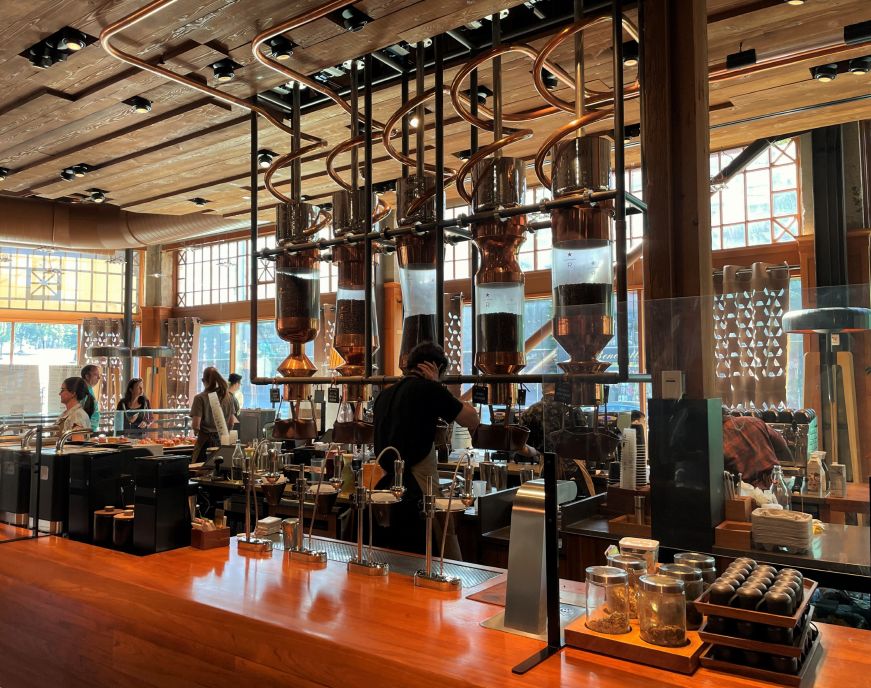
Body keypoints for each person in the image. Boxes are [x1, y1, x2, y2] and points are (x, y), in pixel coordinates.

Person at [372, 342, 479, 555]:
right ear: (436, 368)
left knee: (389, 557)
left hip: (385, 488)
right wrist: (437, 385)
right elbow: (472, 418)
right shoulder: (429, 389)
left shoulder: (384, 395)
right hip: (418, 492)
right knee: (427, 557)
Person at [722, 407, 792, 488]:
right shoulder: (753, 421)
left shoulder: (717, 437)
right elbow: (782, 444)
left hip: (746, 492)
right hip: (774, 483)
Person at [190, 366, 238, 463]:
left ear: (204, 381)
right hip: (222, 442)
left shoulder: (200, 398)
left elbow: (196, 425)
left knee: (201, 471)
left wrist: (196, 432)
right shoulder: (228, 397)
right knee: (220, 471)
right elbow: (232, 422)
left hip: (205, 443)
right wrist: (225, 434)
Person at [80, 364, 102, 433]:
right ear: (87, 376)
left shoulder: (90, 389)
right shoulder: (82, 390)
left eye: (99, 375)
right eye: (95, 375)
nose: (98, 378)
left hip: (91, 429)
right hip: (85, 430)